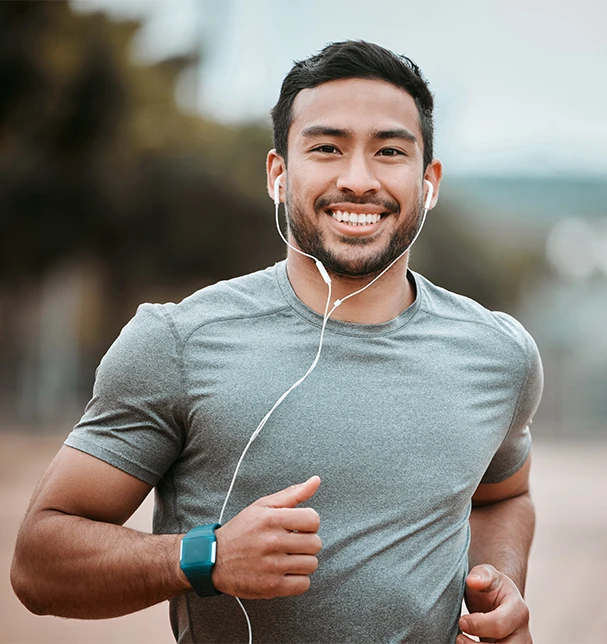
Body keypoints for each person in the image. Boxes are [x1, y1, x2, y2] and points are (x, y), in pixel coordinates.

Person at [11, 40, 542, 644]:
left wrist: (499, 582)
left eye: (390, 151)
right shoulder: (177, 342)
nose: (358, 179)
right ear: (278, 174)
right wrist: (204, 558)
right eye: (326, 148)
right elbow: (37, 563)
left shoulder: (499, 354)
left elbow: (506, 494)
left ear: (429, 181)